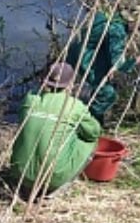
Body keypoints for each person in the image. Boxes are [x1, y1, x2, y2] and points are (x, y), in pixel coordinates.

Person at [8, 62, 101, 198]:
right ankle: (57, 185)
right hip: (52, 178)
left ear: (44, 80)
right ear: (70, 84)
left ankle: (27, 184)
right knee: (90, 141)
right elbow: (93, 132)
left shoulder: (29, 99)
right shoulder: (75, 106)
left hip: (19, 172)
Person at [66, 6, 140, 127]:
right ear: (131, 21)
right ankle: (87, 123)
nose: (139, 30)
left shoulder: (110, 20)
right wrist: (139, 60)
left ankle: (95, 121)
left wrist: (110, 67)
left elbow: (105, 48)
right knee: (107, 94)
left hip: (78, 52)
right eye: (138, 26)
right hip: (86, 58)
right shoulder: (116, 30)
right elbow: (119, 64)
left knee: (100, 89)